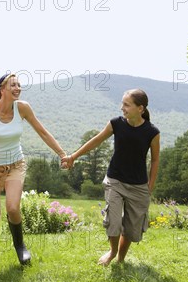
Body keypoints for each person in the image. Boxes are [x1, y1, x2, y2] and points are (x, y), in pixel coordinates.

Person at [0, 73, 67, 270]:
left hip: (15, 164)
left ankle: (20, 247)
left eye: (19, 85)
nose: (17, 88)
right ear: (1, 89)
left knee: (13, 208)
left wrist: (61, 154)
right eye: (12, 85)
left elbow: (42, 132)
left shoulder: (22, 107)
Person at [62, 89, 160, 266]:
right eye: (122, 104)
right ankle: (112, 252)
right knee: (113, 221)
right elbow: (96, 141)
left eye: (126, 104)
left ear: (140, 108)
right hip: (115, 181)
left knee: (131, 229)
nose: (122, 108)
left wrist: (149, 186)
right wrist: (73, 156)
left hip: (138, 186)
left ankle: (121, 258)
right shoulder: (116, 124)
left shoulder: (152, 132)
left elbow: (155, 160)